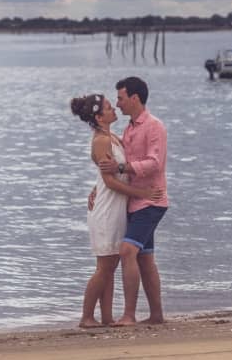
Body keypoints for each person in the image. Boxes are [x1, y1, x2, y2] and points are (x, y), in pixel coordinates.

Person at [70, 93, 163, 328]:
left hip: (115, 206)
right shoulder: (101, 140)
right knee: (105, 267)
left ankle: (107, 317)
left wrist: (96, 186)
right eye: (109, 108)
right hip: (107, 209)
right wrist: (141, 194)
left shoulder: (110, 136)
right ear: (99, 116)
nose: (114, 110)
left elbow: (110, 175)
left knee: (109, 266)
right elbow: (110, 181)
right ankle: (86, 316)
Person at [98, 76, 168, 326]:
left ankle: (129, 314)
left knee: (127, 251)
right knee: (144, 258)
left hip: (152, 200)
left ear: (135, 98)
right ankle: (157, 315)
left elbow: (154, 163)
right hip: (133, 202)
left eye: (121, 98)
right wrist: (97, 189)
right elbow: (113, 169)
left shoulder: (154, 126)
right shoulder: (128, 130)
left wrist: (122, 166)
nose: (117, 104)